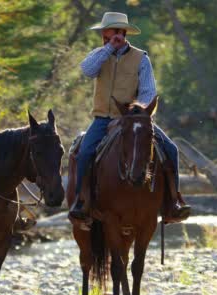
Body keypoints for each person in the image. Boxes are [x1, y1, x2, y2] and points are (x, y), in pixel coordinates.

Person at [69, 12, 190, 223]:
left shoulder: (141, 58)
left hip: (134, 119)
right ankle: (82, 202)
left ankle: (173, 202)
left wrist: (137, 111)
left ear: (121, 33)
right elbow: (87, 71)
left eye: (109, 34)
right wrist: (108, 49)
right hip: (103, 119)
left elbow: (148, 92)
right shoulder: (99, 55)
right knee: (85, 151)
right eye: (104, 35)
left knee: (170, 149)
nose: (105, 38)